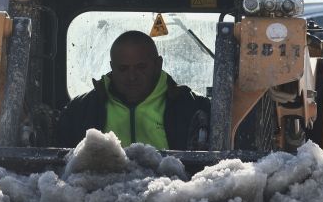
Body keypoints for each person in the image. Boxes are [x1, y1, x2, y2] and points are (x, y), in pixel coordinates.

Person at [56, 30, 210, 150]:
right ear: (112, 68)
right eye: (123, 69)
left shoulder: (194, 109)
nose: (132, 77)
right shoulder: (80, 110)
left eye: (141, 67)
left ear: (158, 64)